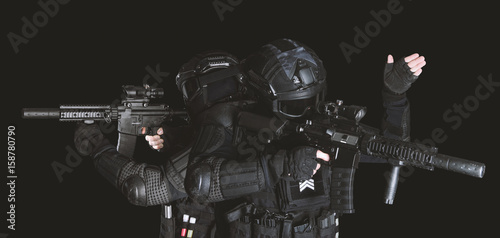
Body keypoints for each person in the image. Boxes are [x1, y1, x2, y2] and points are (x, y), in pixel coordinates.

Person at [148, 38, 425, 237]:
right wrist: (282, 164)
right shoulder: (243, 127)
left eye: (313, 100)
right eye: (294, 105)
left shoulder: (330, 132)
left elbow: (393, 150)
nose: (306, 111)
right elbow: (202, 178)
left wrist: (394, 97)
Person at [73, 50, 249, 238]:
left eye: (189, 90)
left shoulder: (226, 133)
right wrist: (174, 139)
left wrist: (97, 146)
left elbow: (143, 188)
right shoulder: (245, 125)